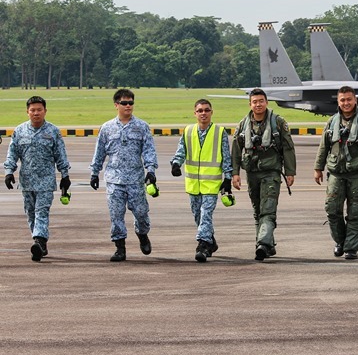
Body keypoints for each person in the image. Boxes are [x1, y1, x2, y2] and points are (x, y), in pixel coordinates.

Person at [90, 89, 158, 262]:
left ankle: (142, 234)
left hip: (135, 179)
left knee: (141, 212)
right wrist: (94, 173)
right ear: (116, 105)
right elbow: (99, 152)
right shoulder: (107, 128)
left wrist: (150, 171)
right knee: (116, 214)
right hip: (114, 180)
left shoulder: (142, 126)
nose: (128, 106)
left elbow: (149, 150)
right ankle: (120, 247)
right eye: (124, 103)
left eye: (131, 103)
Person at [314, 86, 358, 260]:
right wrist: (318, 168)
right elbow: (324, 146)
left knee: (355, 212)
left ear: (355, 100)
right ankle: (340, 241)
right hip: (336, 173)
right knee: (332, 209)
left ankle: (351, 248)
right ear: (338, 101)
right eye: (342, 100)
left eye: (349, 99)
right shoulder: (332, 122)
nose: (346, 103)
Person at [3, 96, 71, 262]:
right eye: (32, 110)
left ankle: (38, 241)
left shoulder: (53, 132)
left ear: (45, 111)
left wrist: (65, 175)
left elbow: (60, 154)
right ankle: (41, 243)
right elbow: (13, 153)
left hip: (46, 181)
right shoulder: (19, 131)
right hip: (26, 182)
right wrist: (9, 172)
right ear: (27, 112)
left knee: (42, 211)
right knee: (30, 213)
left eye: (39, 110)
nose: (36, 113)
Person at [232, 88, 296, 261]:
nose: (258, 104)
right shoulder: (243, 124)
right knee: (257, 211)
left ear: (266, 102)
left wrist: (290, 172)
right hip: (252, 173)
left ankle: (262, 243)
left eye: (261, 101)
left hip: (271, 172)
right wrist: (235, 173)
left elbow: (288, 148)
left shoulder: (278, 122)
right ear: (250, 104)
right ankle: (268, 245)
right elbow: (236, 150)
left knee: (268, 211)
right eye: (255, 102)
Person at [171, 99, 233, 263]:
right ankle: (210, 241)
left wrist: (227, 179)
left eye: (206, 110)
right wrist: (176, 164)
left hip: (211, 185)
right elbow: (181, 151)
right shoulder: (188, 131)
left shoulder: (220, 133)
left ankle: (202, 245)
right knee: (198, 215)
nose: (203, 113)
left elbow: (226, 157)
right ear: (195, 113)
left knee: (206, 214)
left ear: (211, 112)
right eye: (200, 111)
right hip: (193, 184)